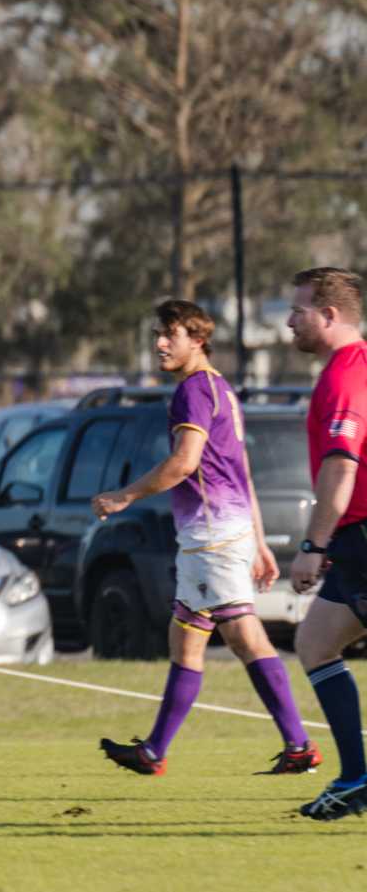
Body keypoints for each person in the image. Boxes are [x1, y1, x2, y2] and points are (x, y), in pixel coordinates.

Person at [93, 300, 317, 776]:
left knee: (244, 636)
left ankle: (299, 744)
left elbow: (184, 463)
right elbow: (243, 473)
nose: (159, 343)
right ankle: (154, 751)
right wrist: (257, 541)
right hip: (217, 535)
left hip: (212, 537)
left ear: (197, 340)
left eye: (169, 335)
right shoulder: (222, 389)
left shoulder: (194, 391)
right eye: (158, 333)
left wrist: (125, 496)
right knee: (187, 640)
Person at [283, 268, 367, 821]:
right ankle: (356, 778)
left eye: (299, 311)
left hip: (361, 537)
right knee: (315, 645)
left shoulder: (346, 375)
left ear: (330, 316)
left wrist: (313, 545)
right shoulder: (348, 369)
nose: (290, 321)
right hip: (354, 539)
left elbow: (341, 465)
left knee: (315, 646)